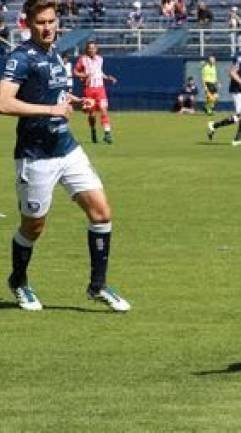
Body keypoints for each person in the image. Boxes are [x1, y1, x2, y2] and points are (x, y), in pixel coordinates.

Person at [0, 0, 130, 312]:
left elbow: (53, 92)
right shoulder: (20, 59)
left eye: (51, 21)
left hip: (67, 149)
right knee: (33, 227)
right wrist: (51, 109)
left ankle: (97, 286)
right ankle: (18, 280)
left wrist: (75, 99)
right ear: (28, 24)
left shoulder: (55, 53)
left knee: (102, 214)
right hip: (36, 156)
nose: (47, 28)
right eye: (41, 22)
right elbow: (3, 102)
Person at [207, 37, 241, 146]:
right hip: (237, 89)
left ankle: (236, 140)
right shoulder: (240, 56)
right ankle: (214, 126)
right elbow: (232, 72)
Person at [73, 40, 117, 144]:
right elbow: (75, 71)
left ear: (96, 49)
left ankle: (107, 134)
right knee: (92, 114)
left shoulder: (100, 59)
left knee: (104, 110)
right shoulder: (83, 59)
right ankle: (93, 131)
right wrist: (83, 75)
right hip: (89, 90)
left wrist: (107, 77)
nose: (92, 50)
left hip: (100, 89)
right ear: (86, 50)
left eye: (93, 48)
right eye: (89, 48)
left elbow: (99, 72)